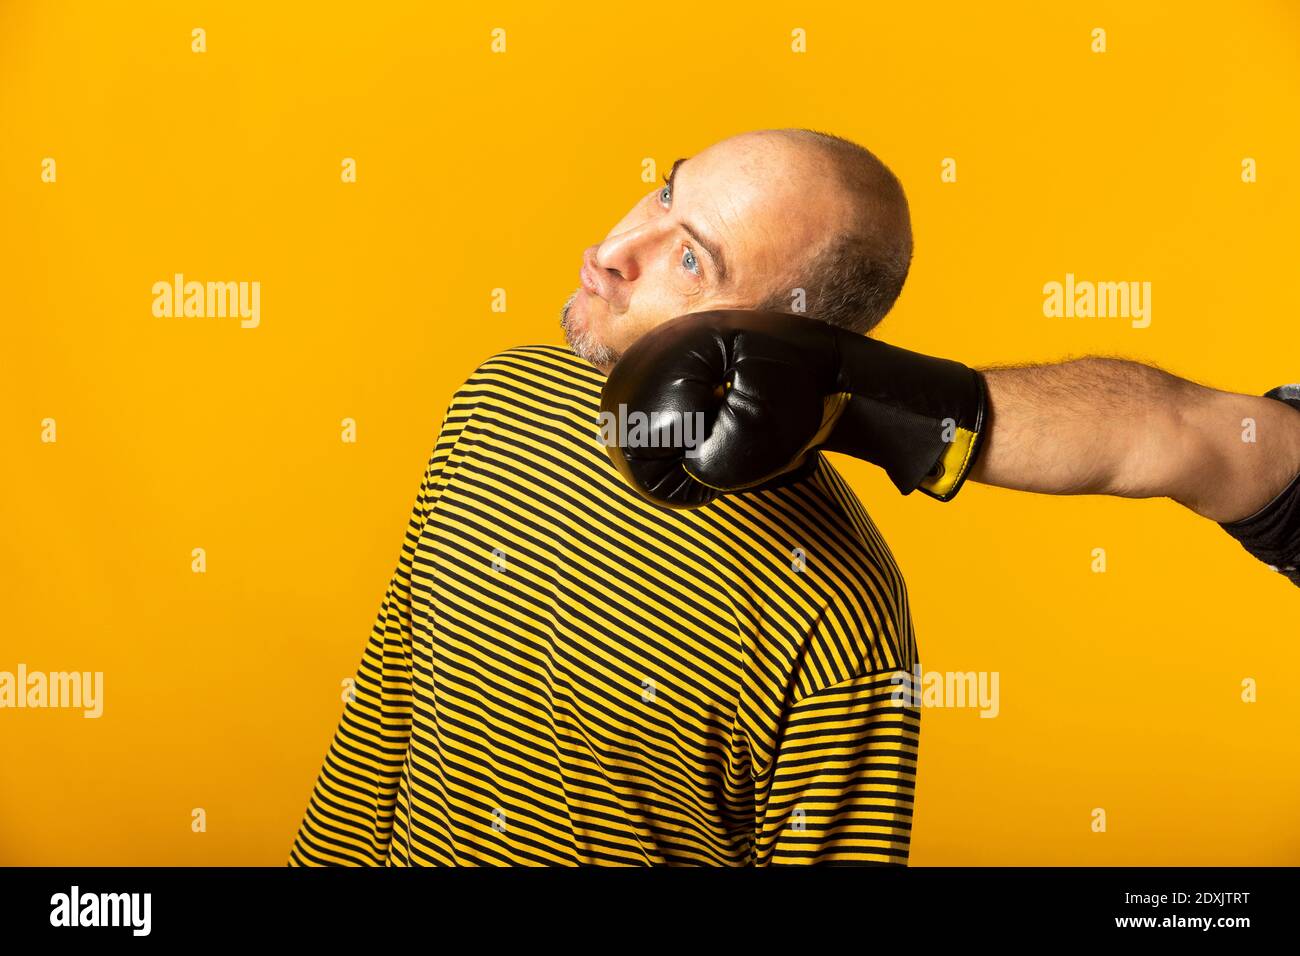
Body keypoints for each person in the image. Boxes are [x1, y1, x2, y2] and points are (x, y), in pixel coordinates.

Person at [289, 128, 1299, 867]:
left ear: (775, 335)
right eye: (662, 190)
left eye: (691, 258)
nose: (615, 247)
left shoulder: (839, 604)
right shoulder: (500, 399)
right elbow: (387, 710)